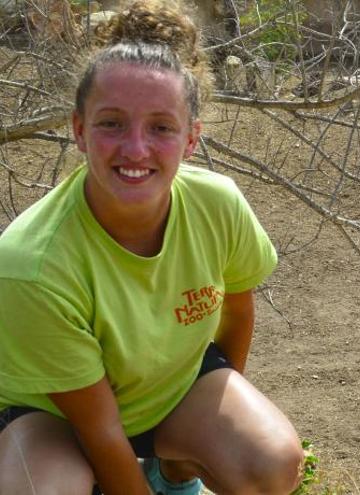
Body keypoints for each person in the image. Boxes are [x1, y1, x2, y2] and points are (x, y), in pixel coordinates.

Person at [0, 1, 304, 494]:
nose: (136, 149)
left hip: (165, 393)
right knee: (44, 489)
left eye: (161, 127)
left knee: (272, 464)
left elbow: (237, 316)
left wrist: (193, 450)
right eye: (111, 123)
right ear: (79, 130)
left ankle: (171, 470)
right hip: (51, 415)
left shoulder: (218, 204)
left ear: (191, 139)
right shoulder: (29, 265)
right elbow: (98, 429)